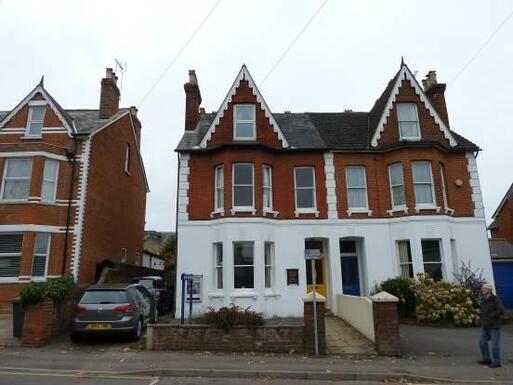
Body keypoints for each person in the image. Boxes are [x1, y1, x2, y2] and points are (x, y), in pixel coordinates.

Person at [478, 283, 504, 368]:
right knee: (482, 342)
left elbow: (501, 310)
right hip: (485, 325)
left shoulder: (495, 300)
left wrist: (492, 315)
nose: (482, 290)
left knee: (495, 345)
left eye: (484, 289)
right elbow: (482, 310)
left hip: (494, 325)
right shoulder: (483, 299)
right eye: (482, 289)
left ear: (489, 290)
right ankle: (486, 359)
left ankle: (497, 362)